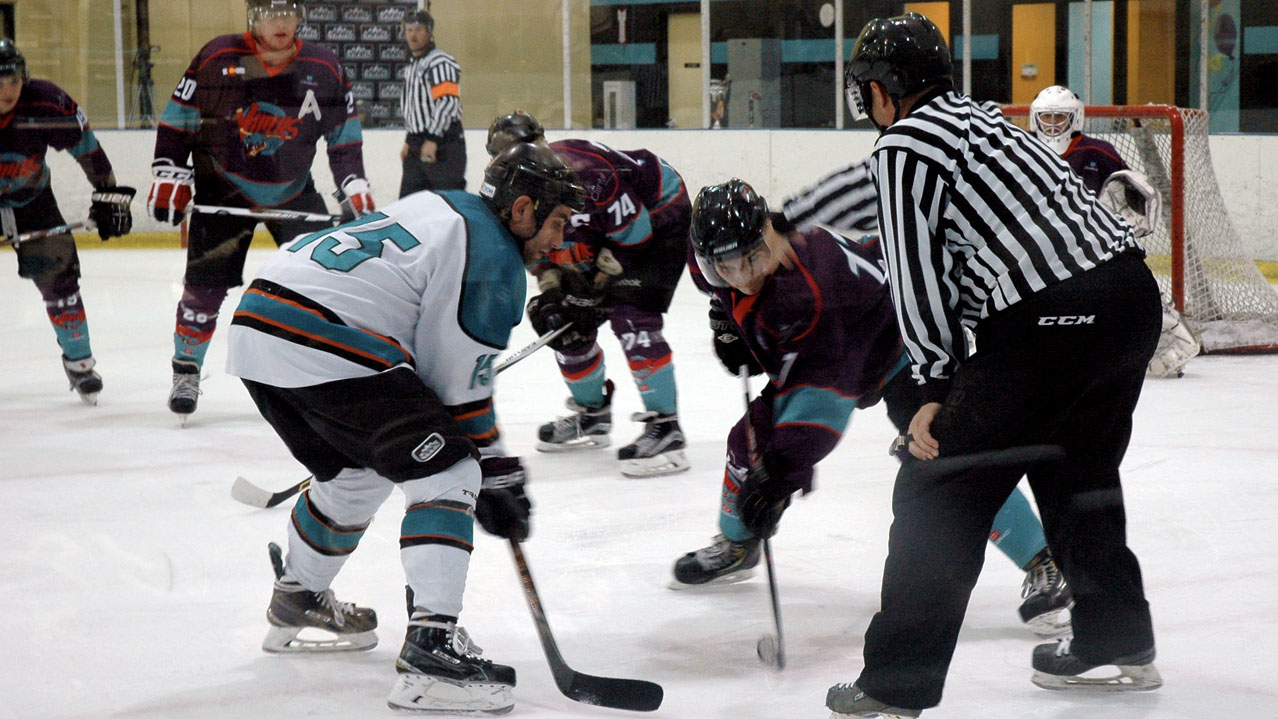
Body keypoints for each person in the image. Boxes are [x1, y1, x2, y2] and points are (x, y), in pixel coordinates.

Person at [827, 14, 1163, 717]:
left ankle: (895, 682)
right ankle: (1116, 636)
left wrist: (930, 388)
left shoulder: (904, 147)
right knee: (1077, 470)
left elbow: (917, 279)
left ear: (885, 91)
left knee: (939, 480)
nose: (868, 104)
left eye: (868, 88)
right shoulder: (988, 123)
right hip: (1130, 299)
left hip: (1053, 315)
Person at [223, 142, 587, 714]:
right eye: (558, 221)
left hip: (256, 329)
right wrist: (494, 471)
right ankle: (431, 652)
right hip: (326, 338)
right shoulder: (493, 261)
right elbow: (456, 398)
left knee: (356, 474)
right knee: (450, 470)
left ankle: (297, 597)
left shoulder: (449, 204)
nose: (560, 239)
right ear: (522, 209)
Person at [671, 179, 1072, 639]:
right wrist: (727, 321)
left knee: (945, 459)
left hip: (902, 341)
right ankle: (738, 544)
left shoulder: (811, 295)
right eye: (726, 266)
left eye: (752, 258)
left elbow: (821, 404)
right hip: (838, 343)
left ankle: (1045, 560)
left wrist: (782, 471)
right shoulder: (716, 259)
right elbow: (725, 289)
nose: (742, 275)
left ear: (771, 233)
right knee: (745, 444)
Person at [149, 0, 374, 419]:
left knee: (322, 281)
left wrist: (353, 184)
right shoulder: (218, 57)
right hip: (223, 189)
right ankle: (186, 370)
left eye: (288, 13)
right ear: (253, 18)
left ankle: (327, 370)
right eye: (271, 14)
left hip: (292, 188)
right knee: (204, 287)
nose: (281, 23)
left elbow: (343, 136)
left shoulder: (323, 67)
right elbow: (178, 121)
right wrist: (169, 172)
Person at [486, 110, 693, 478]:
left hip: (660, 217)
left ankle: (667, 428)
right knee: (565, 322)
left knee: (631, 314)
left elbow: (636, 236)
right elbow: (536, 247)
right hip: (606, 232)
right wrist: (554, 292)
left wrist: (596, 289)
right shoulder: (512, 193)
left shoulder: (588, 172)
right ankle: (592, 413)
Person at [1030, 84, 1200, 378]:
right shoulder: (1024, 149)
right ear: (1035, 119)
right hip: (1042, 244)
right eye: (1048, 117)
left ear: (1075, 119)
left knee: (1130, 286)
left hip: (1093, 243)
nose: (1054, 124)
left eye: (1061, 117)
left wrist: (1126, 224)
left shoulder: (1098, 151)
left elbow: (1129, 189)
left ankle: (1174, 342)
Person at [0, 38, 134, 405]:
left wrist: (107, 194)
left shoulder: (43, 101)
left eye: (12, 79)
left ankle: (79, 364)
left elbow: (85, 146)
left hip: (33, 201)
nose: (7, 89)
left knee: (61, 283)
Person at [398, 9, 466, 197]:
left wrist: (432, 139)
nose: (413, 35)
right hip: (418, 141)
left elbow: (447, 102)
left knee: (446, 202)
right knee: (408, 204)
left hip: (443, 143)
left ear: (429, 32)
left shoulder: (440, 62)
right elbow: (414, 106)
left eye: (418, 29)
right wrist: (409, 140)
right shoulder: (412, 64)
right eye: (409, 29)